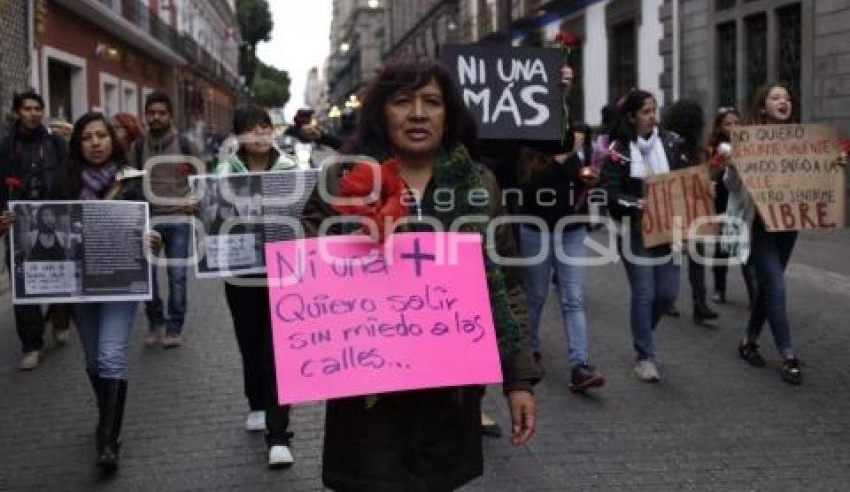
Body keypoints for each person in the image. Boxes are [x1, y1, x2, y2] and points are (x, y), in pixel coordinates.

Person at [301, 57, 538, 491]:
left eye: (432, 101)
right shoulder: (344, 180)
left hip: (449, 401)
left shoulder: (480, 186)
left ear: (449, 115)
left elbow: (508, 288)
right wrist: (360, 237)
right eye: (402, 101)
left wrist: (518, 380)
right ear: (380, 113)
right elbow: (310, 275)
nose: (417, 113)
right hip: (368, 403)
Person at [50, 111, 160, 471]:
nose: (95, 143)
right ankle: (106, 414)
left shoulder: (133, 180)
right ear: (78, 144)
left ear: (113, 141)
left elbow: (151, 223)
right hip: (79, 284)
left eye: (101, 136)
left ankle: (108, 440)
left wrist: (152, 239)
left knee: (112, 354)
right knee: (94, 359)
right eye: (87, 137)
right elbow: (45, 225)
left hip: (120, 281)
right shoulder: (63, 182)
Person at [727, 82, 847, 385]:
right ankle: (788, 354)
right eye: (776, 98)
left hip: (787, 225)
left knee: (769, 287)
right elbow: (730, 187)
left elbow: (813, 178)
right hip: (759, 228)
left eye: (787, 98)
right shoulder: (747, 140)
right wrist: (733, 168)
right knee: (776, 287)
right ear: (763, 105)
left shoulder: (802, 139)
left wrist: (834, 166)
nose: (784, 102)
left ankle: (749, 341)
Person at [215, 106, 299, 468]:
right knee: (250, 341)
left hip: (282, 269)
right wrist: (197, 208)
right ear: (238, 136)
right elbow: (213, 215)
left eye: (264, 126)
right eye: (250, 128)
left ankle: (278, 434)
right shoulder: (223, 172)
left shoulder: (292, 168)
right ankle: (256, 402)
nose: (259, 134)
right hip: (240, 269)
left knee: (278, 346)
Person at [599, 89, 692, 383]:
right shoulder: (618, 150)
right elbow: (609, 193)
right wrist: (636, 203)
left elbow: (688, 183)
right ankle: (645, 356)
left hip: (669, 230)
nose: (653, 116)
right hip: (634, 231)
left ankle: (644, 334)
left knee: (666, 295)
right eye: (646, 111)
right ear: (632, 117)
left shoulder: (673, 143)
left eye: (655, 110)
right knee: (644, 293)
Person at [516, 122, 605, 392]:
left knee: (573, 298)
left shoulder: (575, 148)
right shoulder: (530, 151)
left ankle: (580, 365)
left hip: (572, 231)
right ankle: (529, 351)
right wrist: (562, 158)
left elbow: (578, 188)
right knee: (535, 296)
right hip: (536, 232)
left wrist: (590, 179)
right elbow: (529, 189)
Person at [0, 90, 70, 370]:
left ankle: (58, 316)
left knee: (58, 275)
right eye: (27, 108)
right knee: (22, 284)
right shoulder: (6, 146)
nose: (33, 113)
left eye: (37, 108)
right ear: (17, 112)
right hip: (19, 224)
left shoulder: (55, 142)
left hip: (54, 219)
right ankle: (31, 345)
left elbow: (68, 174)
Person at [132, 92, 200, 348]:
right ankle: (155, 321)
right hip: (148, 220)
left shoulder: (186, 144)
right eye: (151, 113)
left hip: (179, 220)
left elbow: (201, 179)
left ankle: (174, 327)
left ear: (170, 116)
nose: (156, 117)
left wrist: (196, 198)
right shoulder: (138, 146)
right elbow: (130, 180)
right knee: (146, 276)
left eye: (161, 112)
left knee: (177, 276)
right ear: (146, 116)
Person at [661, 99, 719, 324]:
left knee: (697, 252)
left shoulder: (696, 147)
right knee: (677, 252)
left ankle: (698, 302)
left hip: (693, 206)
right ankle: (674, 298)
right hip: (676, 205)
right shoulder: (672, 145)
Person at [705, 107, 758, 307]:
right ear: (719, 127)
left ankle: (754, 292)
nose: (733, 127)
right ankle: (719, 287)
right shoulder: (714, 148)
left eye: (737, 123)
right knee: (722, 247)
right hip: (722, 201)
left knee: (747, 246)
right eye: (728, 124)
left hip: (743, 201)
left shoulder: (750, 144)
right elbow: (709, 175)